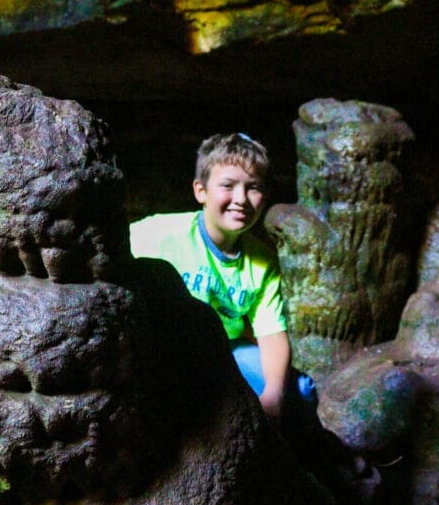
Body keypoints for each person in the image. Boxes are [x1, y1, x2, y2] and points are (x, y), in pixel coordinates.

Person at [129, 132, 315, 423]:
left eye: (253, 188)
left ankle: (320, 461)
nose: (241, 199)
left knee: (300, 390)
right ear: (200, 191)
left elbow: (271, 333)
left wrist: (275, 394)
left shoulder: (262, 261)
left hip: (223, 352)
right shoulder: (156, 234)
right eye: (228, 185)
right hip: (163, 350)